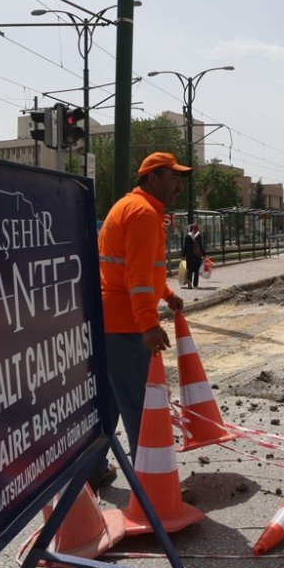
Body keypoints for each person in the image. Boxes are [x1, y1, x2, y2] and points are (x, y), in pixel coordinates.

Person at [93, 152, 189, 488]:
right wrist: (149, 324)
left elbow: (141, 268)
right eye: (173, 177)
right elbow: (136, 274)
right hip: (127, 324)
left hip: (111, 320)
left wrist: (165, 294)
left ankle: (92, 468)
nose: (179, 184)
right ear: (152, 178)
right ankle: (152, 487)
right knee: (140, 405)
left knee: (110, 402)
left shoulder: (131, 207)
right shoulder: (144, 214)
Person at [181, 223, 206, 289]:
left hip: (189, 256)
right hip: (197, 256)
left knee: (190, 269)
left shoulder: (188, 236)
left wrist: (183, 255)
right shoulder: (198, 236)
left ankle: (189, 281)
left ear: (191, 229)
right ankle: (195, 284)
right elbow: (201, 246)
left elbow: (185, 247)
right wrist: (204, 254)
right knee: (196, 270)